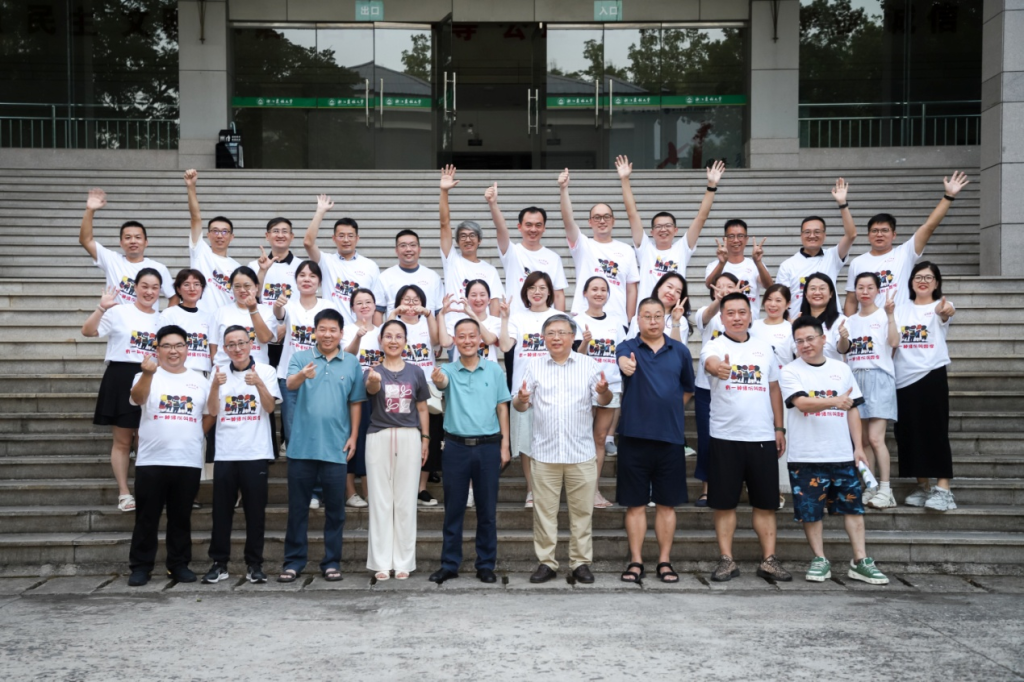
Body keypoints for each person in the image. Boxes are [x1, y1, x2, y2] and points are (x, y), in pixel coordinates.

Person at [781, 316, 889, 585]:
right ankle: (820, 559)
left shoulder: (841, 369)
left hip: (841, 453)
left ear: (823, 339)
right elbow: (802, 403)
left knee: (853, 509)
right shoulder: (790, 371)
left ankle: (860, 560)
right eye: (799, 341)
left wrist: (858, 447)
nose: (805, 345)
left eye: (810, 338)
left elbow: (852, 409)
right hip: (805, 456)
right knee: (811, 512)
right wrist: (835, 400)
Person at [512, 315, 612, 584]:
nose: (556, 338)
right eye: (551, 333)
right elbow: (520, 406)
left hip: (581, 453)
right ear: (543, 338)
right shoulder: (533, 366)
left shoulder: (588, 365)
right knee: (544, 513)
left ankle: (580, 563)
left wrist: (604, 391)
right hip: (545, 454)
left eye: (562, 332)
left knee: (582, 513)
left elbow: (604, 399)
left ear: (572, 337)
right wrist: (521, 399)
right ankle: (547, 562)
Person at [701, 292, 791, 583]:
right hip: (725, 436)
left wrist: (779, 428)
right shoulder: (714, 345)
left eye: (742, 312)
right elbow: (710, 363)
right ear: (722, 317)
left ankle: (769, 560)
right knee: (724, 503)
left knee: (765, 503)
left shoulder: (764, 348)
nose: (737, 317)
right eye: (730, 313)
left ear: (751, 315)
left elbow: (774, 388)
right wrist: (718, 368)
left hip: (762, 436)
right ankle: (727, 560)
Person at [280, 308, 367, 583]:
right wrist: (303, 375)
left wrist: (354, 436)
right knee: (298, 509)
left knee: (336, 511)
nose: (327, 334)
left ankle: (331, 562)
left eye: (333, 330)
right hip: (301, 447)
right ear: (314, 331)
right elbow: (290, 385)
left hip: (336, 447)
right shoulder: (300, 358)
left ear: (341, 333)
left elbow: (356, 402)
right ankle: (293, 562)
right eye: (322, 329)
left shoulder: (351, 362)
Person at [126, 325, 215, 586]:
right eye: (166, 346)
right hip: (151, 459)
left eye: (178, 345)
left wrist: (194, 434)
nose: (173, 351)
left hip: (186, 460)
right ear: (157, 350)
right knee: (146, 517)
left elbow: (210, 413)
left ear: (187, 349)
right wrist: (147, 374)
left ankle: (178, 565)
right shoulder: (145, 375)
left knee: (181, 517)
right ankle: (141, 567)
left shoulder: (201, 380)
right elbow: (137, 399)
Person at [615, 298, 695, 583]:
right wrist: (625, 365)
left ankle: (664, 561)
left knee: (667, 504)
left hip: (670, 438)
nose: (652, 321)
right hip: (633, 437)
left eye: (657, 316)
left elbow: (688, 388)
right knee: (635, 505)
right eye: (646, 316)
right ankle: (636, 561)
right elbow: (621, 359)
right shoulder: (628, 347)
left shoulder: (680, 351)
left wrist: (669, 408)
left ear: (665, 319)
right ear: (637, 319)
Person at [429, 318, 512, 585]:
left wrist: (505, 446)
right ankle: (449, 564)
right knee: (453, 509)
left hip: (488, 447)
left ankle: (485, 564)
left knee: (487, 511)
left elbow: (502, 408)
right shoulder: (447, 370)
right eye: (461, 336)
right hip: (455, 447)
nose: (467, 341)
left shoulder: (494, 370)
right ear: (454, 340)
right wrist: (438, 380)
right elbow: (441, 384)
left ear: (480, 339)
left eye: (472, 336)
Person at [201, 326, 281, 585]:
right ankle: (219, 563)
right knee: (221, 511)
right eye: (231, 345)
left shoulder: (266, 371)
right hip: (226, 452)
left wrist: (258, 384)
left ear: (250, 344)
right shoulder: (219, 371)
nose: (237, 349)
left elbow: (269, 407)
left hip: (256, 451)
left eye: (242, 343)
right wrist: (215, 386)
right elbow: (213, 411)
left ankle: (254, 565)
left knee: (255, 512)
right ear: (225, 349)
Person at [81, 268, 163, 512]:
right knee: (123, 440)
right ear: (135, 287)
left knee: (147, 439)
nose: (149, 292)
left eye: (155, 287)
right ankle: (124, 493)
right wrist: (101, 308)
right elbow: (88, 331)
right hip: (121, 376)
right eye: (144, 286)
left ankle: (148, 491)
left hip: (152, 377)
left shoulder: (164, 318)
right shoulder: (119, 311)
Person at [843, 172, 970, 316]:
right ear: (868, 235)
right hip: (870, 324)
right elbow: (851, 300)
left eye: (884, 230)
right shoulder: (857, 262)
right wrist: (848, 325)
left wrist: (949, 196)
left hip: (900, 322)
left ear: (894, 235)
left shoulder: (905, 253)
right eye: (875, 231)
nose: (879, 234)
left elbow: (929, 227)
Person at [363, 320, 431, 581]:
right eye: (388, 336)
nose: (393, 341)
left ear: (405, 341)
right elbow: (371, 390)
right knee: (380, 500)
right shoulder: (372, 371)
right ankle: (381, 562)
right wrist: (374, 382)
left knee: (405, 501)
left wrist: (425, 438)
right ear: (380, 341)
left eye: (398, 336)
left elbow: (422, 408)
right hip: (378, 436)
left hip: (409, 436)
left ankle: (404, 561)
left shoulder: (416, 372)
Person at [620, 155, 724, 316]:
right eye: (658, 226)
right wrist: (625, 179)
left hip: (675, 314)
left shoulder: (682, 248)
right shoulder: (645, 248)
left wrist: (711, 185)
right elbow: (632, 214)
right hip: (647, 315)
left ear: (676, 230)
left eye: (668, 226)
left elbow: (701, 217)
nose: (663, 230)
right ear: (651, 232)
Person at [894, 262, 958, 511]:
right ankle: (923, 486)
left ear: (936, 282)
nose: (923, 281)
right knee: (909, 433)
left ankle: (944, 489)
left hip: (931, 374)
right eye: (918, 277)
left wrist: (945, 311)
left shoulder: (941, 305)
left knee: (936, 431)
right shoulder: (900, 309)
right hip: (903, 378)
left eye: (928, 277)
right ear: (911, 281)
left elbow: (946, 312)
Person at [499, 271, 560, 507]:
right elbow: (505, 346)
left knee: (551, 442)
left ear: (549, 292)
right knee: (526, 444)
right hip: (523, 391)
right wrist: (505, 319)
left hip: (554, 390)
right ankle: (531, 490)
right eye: (532, 287)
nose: (537, 292)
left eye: (542, 288)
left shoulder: (558, 317)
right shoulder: (517, 318)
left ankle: (548, 490)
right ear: (526, 292)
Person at [558, 167, 640, 323]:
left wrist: (629, 321)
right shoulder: (583, 245)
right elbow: (568, 220)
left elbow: (631, 289)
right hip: (585, 318)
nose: (602, 221)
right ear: (590, 222)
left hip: (617, 320)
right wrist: (563, 189)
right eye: (597, 217)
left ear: (613, 221)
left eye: (606, 217)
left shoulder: (626, 250)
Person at [272, 260, 338, 447]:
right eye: (302, 275)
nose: (307, 279)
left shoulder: (328, 306)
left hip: (321, 375)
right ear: (296, 280)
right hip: (290, 375)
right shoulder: (289, 306)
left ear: (320, 281)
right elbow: (279, 314)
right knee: (292, 428)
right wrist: (277, 305)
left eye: (312, 276)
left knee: (319, 425)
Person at [847, 274, 899, 509]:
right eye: (860, 287)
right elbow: (844, 350)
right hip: (855, 378)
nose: (865, 291)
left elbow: (894, 342)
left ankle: (887, 490)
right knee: (863, 440)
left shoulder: (885, 314)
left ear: (878, 290)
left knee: (876, 438)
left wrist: (890, 315)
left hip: (879, 376)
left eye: (870, 287)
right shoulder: (850, 320)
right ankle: (871, 486)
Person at [573, 276, 625, 508]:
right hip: (584, 386)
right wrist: (585, 343)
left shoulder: (616, 322)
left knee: (601, 439)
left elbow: (621, 353)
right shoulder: (576, 321)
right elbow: (575, 358)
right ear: (585, 293)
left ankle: (594, 490)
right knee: (581, 437)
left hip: (610, 385)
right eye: (594, 289)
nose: (599, 293)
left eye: (603, 289)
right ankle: (578, 489)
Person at [389, 285, 442, 507]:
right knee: (400, 437)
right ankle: (400, 487)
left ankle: (421, 488)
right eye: (406, 299)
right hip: (398, 385)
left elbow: (437, 340)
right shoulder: (394, 324)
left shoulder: (426, 322)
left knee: (429, 436)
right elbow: (385, 338)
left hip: (427, 386)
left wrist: (428, 314)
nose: (411, 304)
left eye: (415, 300)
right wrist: (394, 313)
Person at [775, 179, 857, 319]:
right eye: (807, 232)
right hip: (800, 325)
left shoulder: (833, 256)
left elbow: (851, 235)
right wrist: (790, 324)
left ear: (824, 235)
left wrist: (842, 204)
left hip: (830, 324)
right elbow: (781, 299)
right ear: (801, 235)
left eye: (817, 232)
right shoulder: (788, 265)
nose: (812, 236)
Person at [78, 188, 174, 308]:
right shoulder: (112, 260)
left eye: (138, 237)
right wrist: (89, 210)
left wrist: (164, 318)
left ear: (146, 242)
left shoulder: (159, 268)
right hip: (114, 320)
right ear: (121, 243)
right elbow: (85, 240)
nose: (133, 241)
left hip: (147, 320)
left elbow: (173, 296)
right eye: (128, 237)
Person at [692, 272, 740, 506]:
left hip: (736, 387)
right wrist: (720, 301)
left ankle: (733, 485)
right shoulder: (707, 313)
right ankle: (706, 488)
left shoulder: (742, 316)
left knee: (734, 438)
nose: (724, 290)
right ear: (712, 290)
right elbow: (706, 315)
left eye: (729, 286)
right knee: (706, 439)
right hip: (706, 389)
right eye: (719, 287)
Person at [303, 195, 386, 325]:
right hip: (332, 330)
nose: (346, 240)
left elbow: (378, 306)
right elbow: (308, 243)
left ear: (357, 238)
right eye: (341, 236)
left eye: (350, 236)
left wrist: (376, 333)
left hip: (361, 331)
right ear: (334, 238)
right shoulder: (326, 261)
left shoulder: (370, 266)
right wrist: (320, 212)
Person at [438, 165, 504, 328]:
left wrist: (491, 332)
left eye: (472, 235)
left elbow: (495, 305)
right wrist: (444, 192)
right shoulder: (451, 261)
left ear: (479, 240)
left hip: (482, 331)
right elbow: (444, 224)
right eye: (463, 236)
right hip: (454, 329)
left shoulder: (490, 270)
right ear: (457, 241)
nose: (468, 240)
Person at [487, 184, 568, 316]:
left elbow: (558, 295)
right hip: (516, 320)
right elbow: (501, 229)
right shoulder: (511, 252)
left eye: (538, 225)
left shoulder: (553, 258)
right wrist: (493, 204)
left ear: (544, 228)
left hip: (545, 322)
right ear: (519, 227)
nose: (533, 229)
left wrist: (559, 322)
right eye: (528, 225)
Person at [342, 287, 382, 508]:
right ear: (352, 308)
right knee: (353, 439)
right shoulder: (347, 330)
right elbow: (347, 356)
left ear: (375, 306)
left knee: (371, 442)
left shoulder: (383, 331)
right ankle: (350, 492)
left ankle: (368, 491)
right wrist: (358, 336)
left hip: (377, 392)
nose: (364, 306)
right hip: (353, 392)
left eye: (368, 302)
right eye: (359, 303)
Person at [184, 169, 239, 312]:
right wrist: (191, 187)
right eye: (215, 231)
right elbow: (195, 218)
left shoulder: (237, 268)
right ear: (208, 235)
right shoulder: (200, 252)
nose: (219, 235)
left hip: (225, 321)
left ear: (231, 237)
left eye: (224, 232)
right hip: (200, 318)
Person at [210, 266, 278, 367]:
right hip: (225, 369)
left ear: (256, 287)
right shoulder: (220, 312)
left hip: (257, 368)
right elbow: (213, 345)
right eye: (237, 286)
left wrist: (253, 309)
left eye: (247, 286)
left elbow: (265, 338)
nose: (242, 290)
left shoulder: (267, 311)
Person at [704, 218, 771, 319]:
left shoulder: (755, 265)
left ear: (746, 239)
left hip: (750, 323)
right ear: (724, 239)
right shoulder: (714, 266)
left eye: (740, 236)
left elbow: (769, 286)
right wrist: (722, 263)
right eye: (731, 236)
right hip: (723, 322)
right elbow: (709, 285)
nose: (736, 240)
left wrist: (758, 262)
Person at [158, 269, 214, 374]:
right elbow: (160, 348)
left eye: (196, 284)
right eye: (186, 284)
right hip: (176, 373)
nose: (192, 288)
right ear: (178, 289)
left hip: (203, 375)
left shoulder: (209, 318)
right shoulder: (169, 314)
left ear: (202, 288)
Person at [380, 230, 444, 318]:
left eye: (413, 245)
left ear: (419, 249)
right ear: (396, 250)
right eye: (403, 245)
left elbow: (439, 312)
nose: (408, 249)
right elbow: (378, 311)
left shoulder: (433, 277)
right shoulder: (384, 277)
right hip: (395, 327)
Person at [252, 218, 303, 316]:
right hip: (262, 321)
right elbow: (251, 297)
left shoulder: (302, 266)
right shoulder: (254, 266)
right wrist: (262, 270)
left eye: (284, 231)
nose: (280, 235)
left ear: (292, 236)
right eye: (275, 231)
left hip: (292, 321)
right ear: (267, 236)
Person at [626, 271, 691, 342]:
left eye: (678, 291)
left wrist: (675, 322)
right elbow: (628, 345)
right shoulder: (639, 317)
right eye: (669, 287)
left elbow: (677, 348)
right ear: (658, 287)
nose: (672, 293)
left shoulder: (681, 321)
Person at [799, 272, 850, 361]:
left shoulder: (840, 320)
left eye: (822, 288)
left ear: (831, 294)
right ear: (806, 294)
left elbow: (843, 349)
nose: (817, 292)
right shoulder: (799, 321)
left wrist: (843, 337)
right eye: (813, 288)